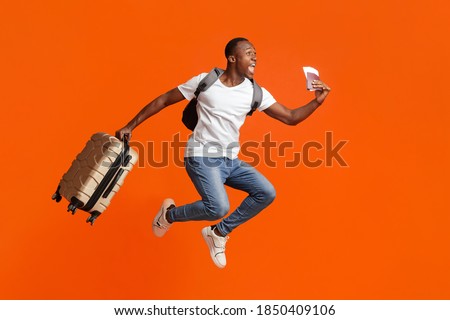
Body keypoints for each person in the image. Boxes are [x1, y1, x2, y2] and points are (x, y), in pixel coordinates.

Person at [116, 37, 331, 268]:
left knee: (266, 192)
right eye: (249, 53)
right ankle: (168, 216)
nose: (255, 57)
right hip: (200, 156)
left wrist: (316, 103)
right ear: (232, 58)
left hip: (230, 161)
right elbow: (164, 100)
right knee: (218, 207)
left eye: (255, 53)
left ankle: (218, 233)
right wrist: (130, 125)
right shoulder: (206, 82)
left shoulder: (254, 93)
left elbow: (290, 117)